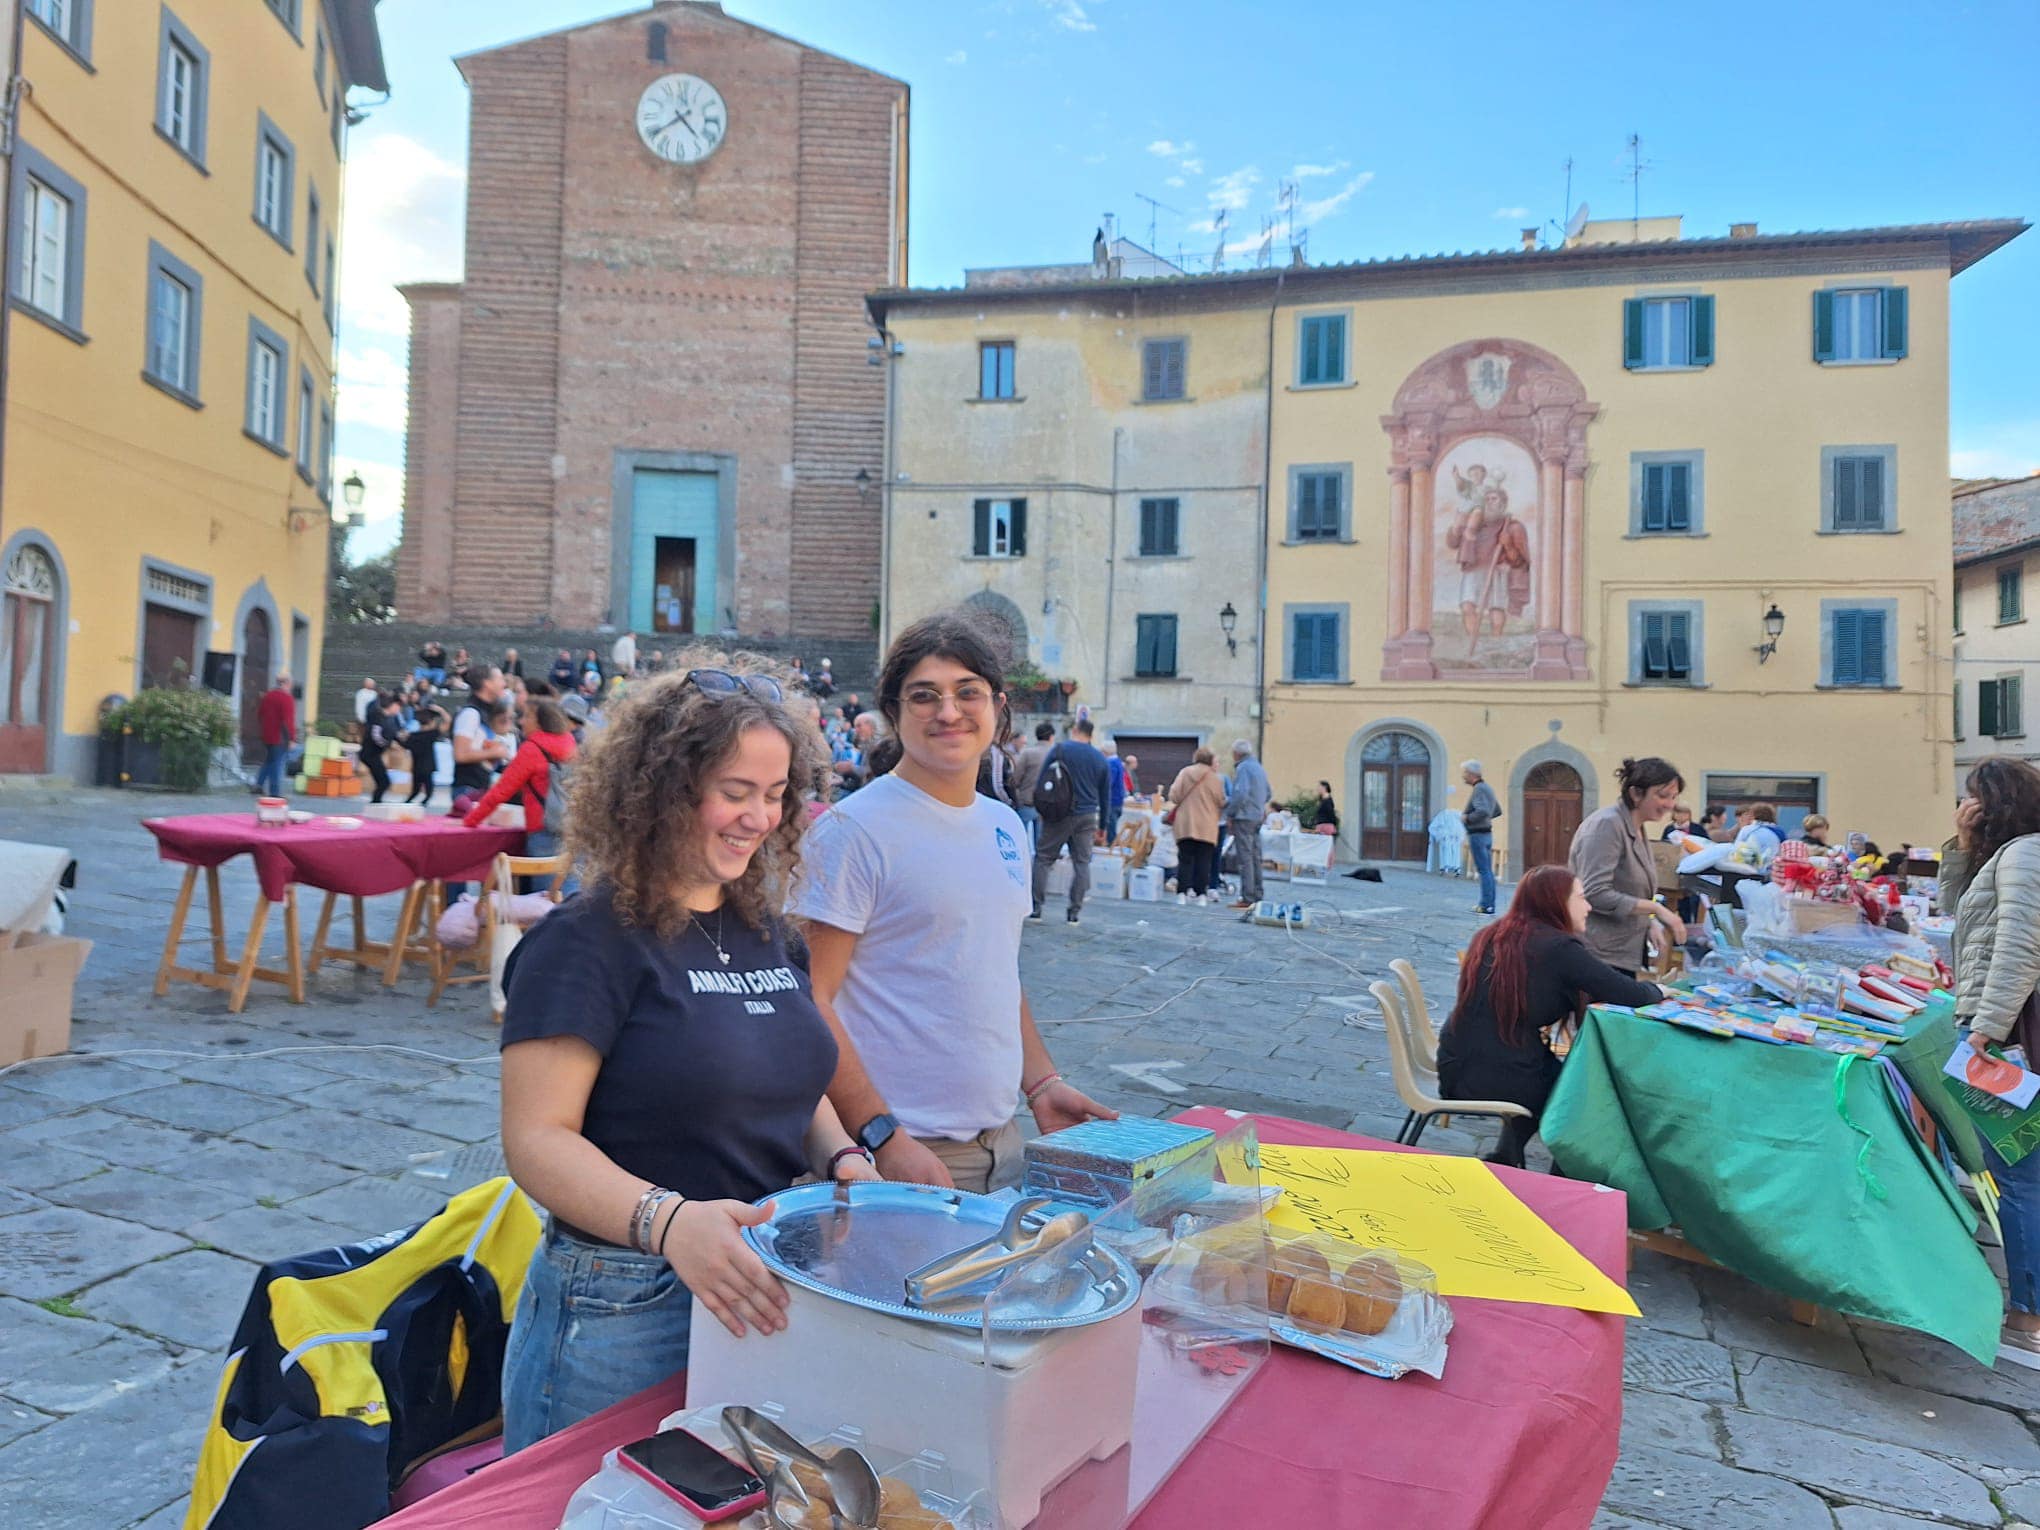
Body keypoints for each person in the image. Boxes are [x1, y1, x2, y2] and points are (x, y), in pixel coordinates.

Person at [497, 665, 876, 1452]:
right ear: (666, 789)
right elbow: (536, 1139)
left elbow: (787, 1076)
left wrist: (842, 1154)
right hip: (623, 1304)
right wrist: (671, 1225)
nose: (759, 818)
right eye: (736, 791)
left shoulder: (769, 932)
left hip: (758, 1281)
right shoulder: (584, 942)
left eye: (776, 795)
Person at [794, 611, 1116, 1195]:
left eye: (968, 692)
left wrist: (1041, 1083)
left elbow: (992, 967)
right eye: (924, 696)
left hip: (1003, 1143)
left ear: (997, 706)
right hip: (902, 1151)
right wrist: (883, 1137)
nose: (948, 712)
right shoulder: (854, 831)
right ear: (893, 712)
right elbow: (809, 998)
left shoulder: (1003, 824)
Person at [1439, 866, 1664, 1168]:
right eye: (1581, 898)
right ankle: (1560, 1183)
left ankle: (1506, 1157)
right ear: (1555, 902)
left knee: (1559, 1075)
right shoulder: (1558, 947)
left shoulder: (1495, 932)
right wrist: (1661, 990)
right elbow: (1629, 993)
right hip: (1495, 1074)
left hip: (1458, 1061)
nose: (1588, 906)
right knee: (1584, 1100)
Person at [1949, 757, 2040, 1361]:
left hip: (2005, 1039)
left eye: (1974, 799)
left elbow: (2019, 947)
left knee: (2017, 1173)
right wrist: (1961, 846)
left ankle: (2028, 1315)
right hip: (2000, 1033)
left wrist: (1986, 1027)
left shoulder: (2027, 853)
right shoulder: (2008, 854)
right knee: (2013, 1168)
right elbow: (1957, 914)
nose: (1967, 807)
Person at [1568, 757, 1688, 976]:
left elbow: (1631, 891)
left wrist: (1648, 923)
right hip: (1598, 956)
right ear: (1635, 794)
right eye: (1662, 796)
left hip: (1621, 954)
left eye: (1673, 797)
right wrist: (1656, 910)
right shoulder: (1607, 825)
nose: (1670, 805)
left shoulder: (1636, 827)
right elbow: (1595, 893)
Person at [464, 696, 578, 858]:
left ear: (539, 722)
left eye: (527, 716)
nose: (522, 721)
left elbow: (500, 792)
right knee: (569, 883)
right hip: (571, 827)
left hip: (543, 829)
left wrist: (470, 821)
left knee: (545, 883)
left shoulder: (532, 749)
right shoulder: (569, 742)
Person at [1032, 717, 1111, 924]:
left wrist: (1042, 808)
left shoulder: (1060, 750)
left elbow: (1042, 780)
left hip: (1058, 813)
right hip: (1087, 816)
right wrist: (1103, 826)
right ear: (1091, 735)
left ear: (1075, 730)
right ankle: (1074, 912)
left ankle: (1036, 907)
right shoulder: (1100, 758)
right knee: (1082, 863)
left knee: (1044, 858)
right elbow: (1106, 796)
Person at [1167, 748, 1227, 904]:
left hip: (1186, 822)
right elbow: (1221, 800)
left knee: (1185, 859)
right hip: (1207, 824)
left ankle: (1182, 893)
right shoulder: (1215, 778)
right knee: (1204, 860)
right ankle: (1201, 895)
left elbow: (1174, 795)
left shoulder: (1185, 772)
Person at [451, 666, 513, 797]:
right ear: (487, 683)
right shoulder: (471, 713)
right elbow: (460, 755)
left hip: (479, 787)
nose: (504, 683)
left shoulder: (485, 713)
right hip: (467, 789)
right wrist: (494, 752)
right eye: (500, 679)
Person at [1225, 740, 1273, 910]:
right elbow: (1268, 793)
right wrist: (1258, 805)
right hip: (1257, 817)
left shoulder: (1243, 768)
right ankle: (1258, 894)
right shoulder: (1259, 767)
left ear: (1237, 754)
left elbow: (1240, 793)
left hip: (1244, 817)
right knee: (1255, 857)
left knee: (1245, 858)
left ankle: (1247, 896)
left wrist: (1230, 812)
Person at [1461, 760, 1502, 915]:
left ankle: (1486, 905)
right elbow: (1496, 810)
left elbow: (1483, 811)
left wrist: (1467, 818)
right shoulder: (1487, 789)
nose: (1463, 776)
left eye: (1465, 773)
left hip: (1478, 834)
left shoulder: (1479, 789)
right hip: (1487, 833)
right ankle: (1488, 904)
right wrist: (1485, 818)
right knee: (1487, 871)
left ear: (1471, 774)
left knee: (1484, 871)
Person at [1012, 722, 1053, 851]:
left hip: (1027, 801)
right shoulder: (1056, 753)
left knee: (1020, 842)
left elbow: (1016, 779)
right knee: (1041, 845)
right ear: (1051, 737)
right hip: (1047, 804)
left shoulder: (1028, 754)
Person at [255, 670, 296, 797]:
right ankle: (275, 791)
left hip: (267, 734)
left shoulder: (268, 695)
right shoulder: (286, 698)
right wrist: (292, 739)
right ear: (287, 683)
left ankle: (258, 785)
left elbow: (260, 714)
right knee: (277, 763)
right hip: (280, 736)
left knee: (269, 760)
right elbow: (288, 720)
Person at [363, 693, 405, 805]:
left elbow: (395, 734)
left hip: (375, 754)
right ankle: (375, 803)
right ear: (392, 705)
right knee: (384, 782)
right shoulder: (377, 716)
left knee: (383, 782)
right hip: (369, 753)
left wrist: (405, 743)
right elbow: (375, 735)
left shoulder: (390, 719)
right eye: (398, 706)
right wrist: (388, 744)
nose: (398, 709)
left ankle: (376, 802)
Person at [405, 704, 447, 805]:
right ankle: (423, 803)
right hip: (428, 766)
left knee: (415, 790)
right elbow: (448, 722)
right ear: (431, 722)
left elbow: (404, 744)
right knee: (428, 791)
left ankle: (407, 803)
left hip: (416, 766)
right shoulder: (432, 734)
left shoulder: (413, 736)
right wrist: (441, 710)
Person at [1103, 744, 1129, 846]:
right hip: (1118, 800)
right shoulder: (1118, 762)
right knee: (1113, 826)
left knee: (1111, 828)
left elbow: (1108, 782)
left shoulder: (1111, 763)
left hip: (1112, 800)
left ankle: (1112, 849)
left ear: (1105, 752)